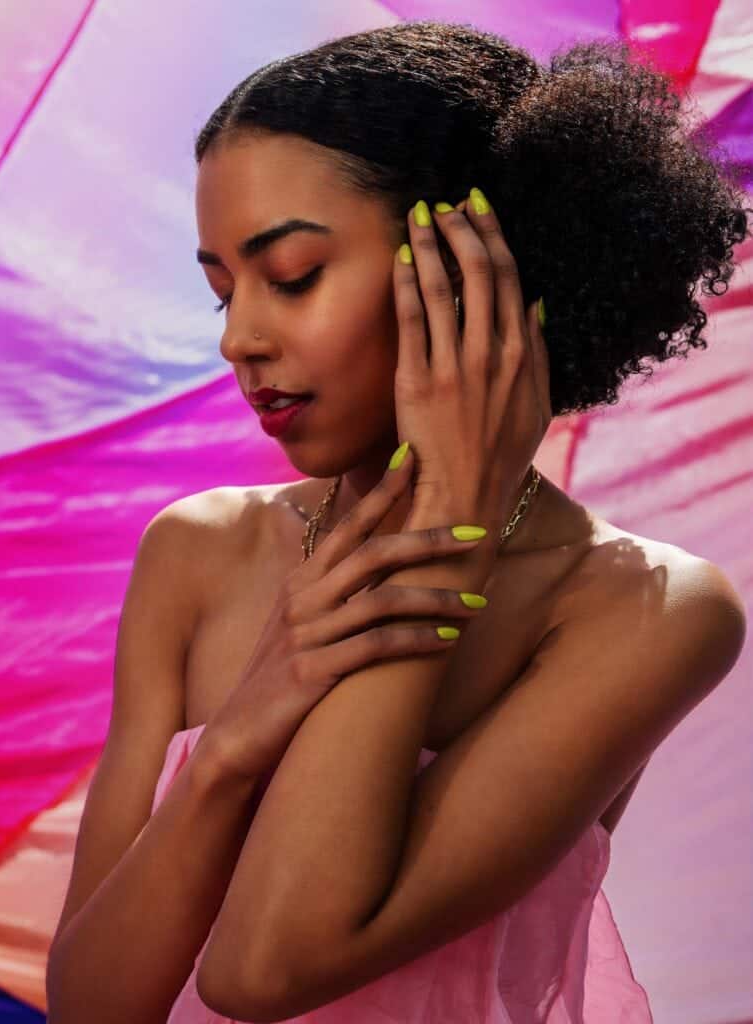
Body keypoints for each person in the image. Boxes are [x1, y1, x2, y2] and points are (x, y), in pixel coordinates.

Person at [47, 21, 750, 1024]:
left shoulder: (648, 609)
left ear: (472, 271)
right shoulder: (197, 548)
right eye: (222, 293)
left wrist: (450, 521)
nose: (240, 339)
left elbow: (265, 968)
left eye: (292, 275)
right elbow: (90, 1006)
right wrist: (233, 745)